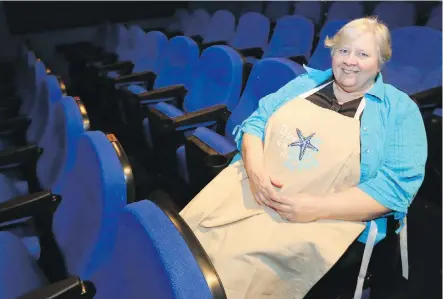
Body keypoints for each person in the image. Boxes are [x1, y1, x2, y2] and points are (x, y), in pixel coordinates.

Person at [180, 17, 427, 299]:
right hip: (257, 188)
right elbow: (255, 124)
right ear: (332, 53)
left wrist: (315, 208)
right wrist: (257, 173)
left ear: (380, 61)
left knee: (234, 270)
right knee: (190, 242)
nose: (350, 61)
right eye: (343, 51)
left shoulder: (400, 110)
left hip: (326, 216)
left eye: (363, 54)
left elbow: (394, 188)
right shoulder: (303, 84)